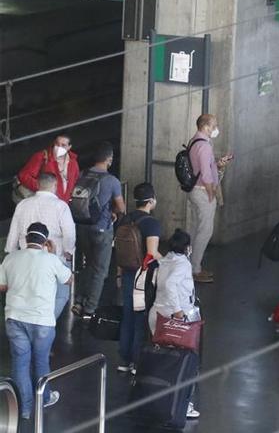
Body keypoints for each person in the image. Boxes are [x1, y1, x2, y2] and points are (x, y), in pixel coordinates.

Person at [0, 222, 73, 420]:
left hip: (15, 317)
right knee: (41, 362)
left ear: (25, 239)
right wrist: (55, 253)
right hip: (42, 321)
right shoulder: (51, 260)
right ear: (44, 241)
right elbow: (68, 280)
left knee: (20, 363)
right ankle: (45, 398)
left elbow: (2, 286)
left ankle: (23, 409)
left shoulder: (11, 258)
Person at [5, 173, 76, 319]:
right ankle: (46, 321)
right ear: (55, 186)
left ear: (37, 185)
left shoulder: (23, 204)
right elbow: (69, 233)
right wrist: (68, 252)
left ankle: (30, 320)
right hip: (54, 257)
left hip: (25, 257)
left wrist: (10, 252)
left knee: (28, 293)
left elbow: (14, 231)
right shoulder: (61, 206)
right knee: (60, 295)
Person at [147, 229, 200, 420]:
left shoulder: (165, 260)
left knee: (162, 361)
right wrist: (178, 311)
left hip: (157, 313)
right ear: (186, 247)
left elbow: (156, 282)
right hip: (173, 318)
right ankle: (183, 405)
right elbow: (170, 284)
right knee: (183, 363)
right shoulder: (183, 264)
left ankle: (157, 400)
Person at [72, 142, 125, 319]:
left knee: (88, 265)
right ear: (109, 159)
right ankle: (90, 308)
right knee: (100, 269)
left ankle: (78, 301)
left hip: (81, 226)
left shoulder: (82, 174)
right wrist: (114, 213)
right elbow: (121, 207)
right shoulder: (112, 181)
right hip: (101, 229)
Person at [116, 183, 161, 374]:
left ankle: (125, 360)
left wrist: (118, 274)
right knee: (140, 317)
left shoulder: (124, 220)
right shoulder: (152, 223)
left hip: (126, 272)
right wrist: (168, 260)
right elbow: (151, 253)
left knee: (127, 316)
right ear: (151, 201)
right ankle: (137, 360)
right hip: (143, 276)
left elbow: (118, 250)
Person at [187, 114, 233, 284]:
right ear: (206, 126)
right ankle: (195, 269)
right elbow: (206, 174)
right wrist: (211, 192)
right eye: (214, 125)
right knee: (205, 231)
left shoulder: (195, 141)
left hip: (193, 190)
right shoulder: (205, 146)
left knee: (194, 229)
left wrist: (218, 164)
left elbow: (203, 166)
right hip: (202, 191)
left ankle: (189, 265)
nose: (216, 128)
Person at [16, 134, 80, 203]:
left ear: (69, 147)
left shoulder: (73, 163)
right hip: (42, 202)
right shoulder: (41, 157)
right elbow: (24, 175)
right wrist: (43, 188)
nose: (59, 147)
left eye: (63, 145)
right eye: (57, 144)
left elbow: (74, 181)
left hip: (61, 205)